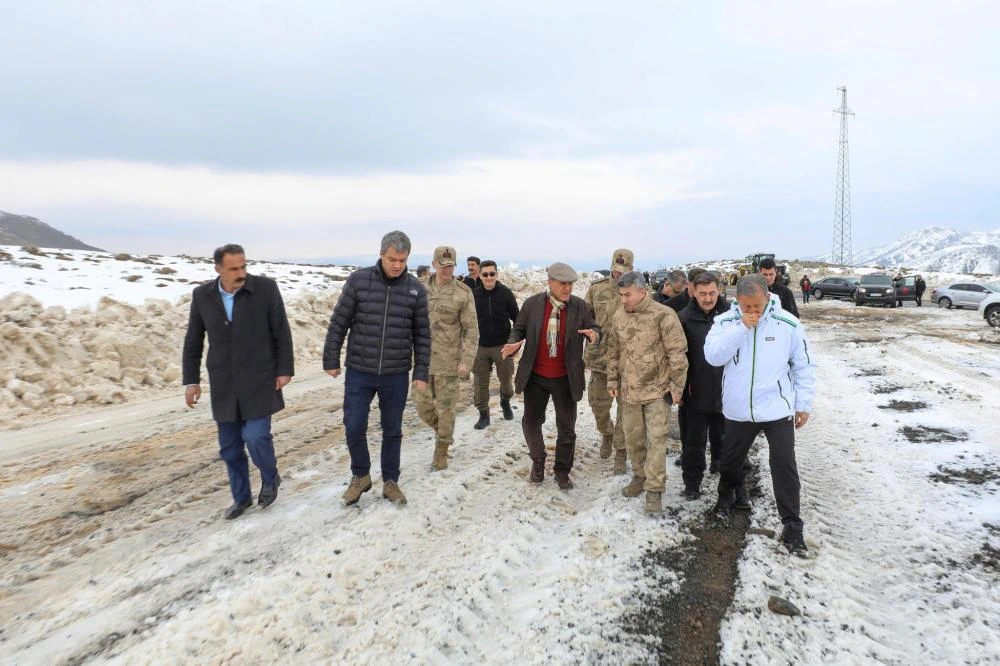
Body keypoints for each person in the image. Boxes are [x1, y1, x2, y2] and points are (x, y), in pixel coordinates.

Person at [706, 274, 816, 555]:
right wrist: (741, 327)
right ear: (737, 301)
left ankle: (792, 525)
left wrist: (803, 404)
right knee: (730, 461)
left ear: (767, 297)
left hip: (776, 408)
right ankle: (725, 499)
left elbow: (803, 365)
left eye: (756, 306)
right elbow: (713, 356)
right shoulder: (726, 323)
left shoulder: (787, 324)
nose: (752, 311)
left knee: (784, 464)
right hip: (739, 409)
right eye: (746, 306)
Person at [182, 244, 294, 520]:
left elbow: (281, 331)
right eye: (234, 268)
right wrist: (191, 381)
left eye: (243, 266)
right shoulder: (202, 296)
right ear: (218, 269)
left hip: (259, 378)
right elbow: (194, 340)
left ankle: (270, 478)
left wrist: (284, 369)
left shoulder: (265, 289)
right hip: (224, 383)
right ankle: (241, 498)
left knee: (256, 437)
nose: (241, 272)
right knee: (230, 448)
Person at [323, 230, 431, 506]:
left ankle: (391, 481)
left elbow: (422, 335)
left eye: (403, 260)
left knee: (392, 429)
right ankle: (360, 476)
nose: (397, 265)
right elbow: (339, 322)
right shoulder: (359, 281)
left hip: (395, 374)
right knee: (354, 425)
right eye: (392, 259)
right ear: (381, 254)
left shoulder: (415, 289)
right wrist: (331, 358)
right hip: (360, 370)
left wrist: (421, 372)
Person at [501, 262, 601, 490]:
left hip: (566, 377)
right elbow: (519, 328)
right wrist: (513, 342)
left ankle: (562, 471)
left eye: (571, 284)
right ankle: (537, 460)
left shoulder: (579, 307)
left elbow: (595, 327)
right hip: (536, 376)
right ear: (550, 283)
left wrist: (595, 334)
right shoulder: (532, 304)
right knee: (531, 421)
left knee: (566, 427)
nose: (568, 289)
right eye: (563, 284)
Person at [606, 272, 688, 515]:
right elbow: (613, 350)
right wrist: (612, 378)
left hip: (657, 392)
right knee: (634, 441)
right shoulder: (619, 316)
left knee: (656, 442)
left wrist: (676, 387)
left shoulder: (663, 315)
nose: (623, 300)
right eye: (621, 295)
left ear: (643, 291)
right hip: (629, 393)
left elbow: (677, 354)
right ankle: (639, 477)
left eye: (627, 294)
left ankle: (654, 491)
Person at [416, 246, 478, 470]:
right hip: (422, 360)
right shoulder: (419, 288)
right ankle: (442, 430)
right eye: (443, 266)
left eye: (451, 266)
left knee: (446, 408)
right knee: (421, 405)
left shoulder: (463, 292)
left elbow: (471, 331)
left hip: (449, 362)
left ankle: (442, 448)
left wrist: (466, 362)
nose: (447, 270)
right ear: (434, 264)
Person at [677, 272, 729, 498]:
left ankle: (722, 471)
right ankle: (692, 484)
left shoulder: (731, 316)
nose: (708, 298)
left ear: (719, 290)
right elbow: (677, 356)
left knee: (725, 438)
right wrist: (678, 387)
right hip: (695, 390)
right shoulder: (683, 318)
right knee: (693, 442)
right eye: (702, 294)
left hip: (726, 391)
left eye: (712, 293)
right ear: (693, 292)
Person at [583, 248, 632, 466]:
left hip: (627, 362)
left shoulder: (638, 290)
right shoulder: (597, 290)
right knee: (598, 404)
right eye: (616, 270)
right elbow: (584, 317)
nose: (619, 274)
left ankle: (621, 450)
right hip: (600, 359)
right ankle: (607, 434)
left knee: (626, 410)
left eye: (624, 271)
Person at [471, 260, 519, 429]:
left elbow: (517, 320)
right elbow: (468, 322)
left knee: (506, 380)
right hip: (480, 347)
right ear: (480, 275)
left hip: (502, 346)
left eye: (492, 274)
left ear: (497, 274)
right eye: (485, 274)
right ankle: (484, 414)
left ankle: (505, 401)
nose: (489, 277)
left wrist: (513, 343)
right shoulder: (474, 295)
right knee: (480, 382)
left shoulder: (505, 293)